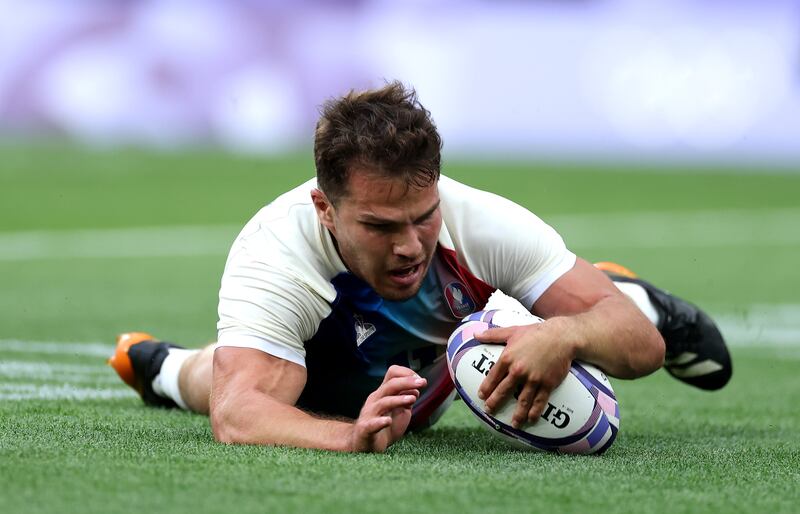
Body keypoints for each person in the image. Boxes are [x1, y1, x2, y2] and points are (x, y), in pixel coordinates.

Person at [108, 82, 731, 453]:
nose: (409, 244)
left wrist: (565, 333)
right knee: (213, 379)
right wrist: (348, 438)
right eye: (380, 225)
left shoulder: (480, 220)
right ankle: (161, 366)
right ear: (326, 208)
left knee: (582, 319)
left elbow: (645, 349)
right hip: (337, 372)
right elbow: (239, 414)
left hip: (436, 367)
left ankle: (591, 293)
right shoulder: (275, 249)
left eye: (423, 217)